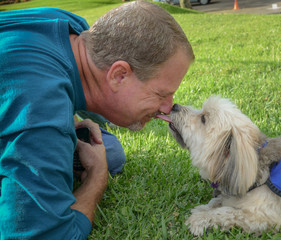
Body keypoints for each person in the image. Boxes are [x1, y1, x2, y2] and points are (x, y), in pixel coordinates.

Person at [0, 1, 194, 239]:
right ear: (119, 75)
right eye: (161, 94)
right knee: (103, 160)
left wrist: (69, 118)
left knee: (109, 151)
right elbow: (45, 235)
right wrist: (96, 179)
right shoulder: (41, 101)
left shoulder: (72, 29)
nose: (168, 108)